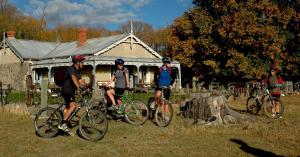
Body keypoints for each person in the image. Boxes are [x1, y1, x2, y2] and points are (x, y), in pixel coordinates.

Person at [58, 55, 87, 135]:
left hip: (71, 91)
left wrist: (87, 86)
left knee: (74, 107)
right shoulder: (71, 69)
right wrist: (79, 87)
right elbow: (74, 79)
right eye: (82, 62)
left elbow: (81, 81)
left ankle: (65, 123)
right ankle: (62, 124)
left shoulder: (77, 71)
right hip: (67, 91)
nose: (83, 64)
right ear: (77, 63)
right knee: (73, 106)